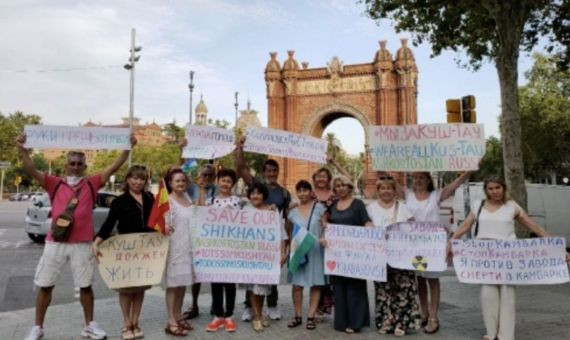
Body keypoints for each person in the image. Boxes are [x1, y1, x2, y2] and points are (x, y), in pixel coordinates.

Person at [16, 133, 136, 340]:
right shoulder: (54, 183)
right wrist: (22, 148)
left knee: (85, 286)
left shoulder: (92, 183)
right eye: (72, 163)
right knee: (45, 285)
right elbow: (30, 169)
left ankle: (89, 325)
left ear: (85, 167)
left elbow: (115, 166)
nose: (75, 166)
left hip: (82, 244)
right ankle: (38, 328)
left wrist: (127, 147)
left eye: (79, 164)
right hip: (56, 243)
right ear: (66, 165)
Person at [449, 176, 569, 340]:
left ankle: (506, 335)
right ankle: (491, 333)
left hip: (508, 258)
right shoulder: (478, 206)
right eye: (491, 188)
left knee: (507, 296)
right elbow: (464, 226)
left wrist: (557, 248)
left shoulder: (512, 206)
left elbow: (533, 226)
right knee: (487, 294)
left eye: (498, 187)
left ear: (503, 188)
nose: (495, 191)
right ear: (486, 190)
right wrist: (450, 243)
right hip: (486, 258)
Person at [398, 171, 472, 333]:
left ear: (428, 180)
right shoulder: (407, 194)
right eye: (416, 177)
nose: (418, 180)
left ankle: (433, 317)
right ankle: (423, 313)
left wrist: (470, 171)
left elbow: (456, 184)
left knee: (432, 279)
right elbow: (386, 178)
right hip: (414, 245)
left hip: (433, 246)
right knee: (419, 280)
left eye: (422, 178)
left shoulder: (436, 195)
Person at [92, 165, 154, 340]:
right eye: (134, 178)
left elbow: (157, 222)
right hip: (126, 251)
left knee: (140, 288)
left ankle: (136, 322)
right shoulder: (119, 201)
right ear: (127, 179)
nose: (137, 181)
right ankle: (126, 323)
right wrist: (96, 242)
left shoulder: (150, 198)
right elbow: (109, 224)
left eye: (141, 179)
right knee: (126, 290)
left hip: (145, 251)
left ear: (145, 182)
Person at [235, 138, 291, 321]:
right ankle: (249, 307)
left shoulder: (284, 193)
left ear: (278, 172)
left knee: (271, 274)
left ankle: (272, 305)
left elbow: (287, 218)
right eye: (269, 170)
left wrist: (287, 242)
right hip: (253, 241)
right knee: (251, 274)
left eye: (275, 171)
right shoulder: (256, 185)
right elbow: (241, 169)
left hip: (272, 240)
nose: (272, 173)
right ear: (263, 172)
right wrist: (240, 148)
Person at [367, 177, 421, 336]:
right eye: (382, 188)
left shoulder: (404, 208)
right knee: (383, 290)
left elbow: (414, 228)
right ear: (378, 191)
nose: (386, 191)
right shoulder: (371, 208)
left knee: (403, 289)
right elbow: (365, 226)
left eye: (389, 188)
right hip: (380, 256)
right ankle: (385, 322)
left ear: (394, 190)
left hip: (402, 256)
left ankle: (402, 324)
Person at [323, 175, 373, 333]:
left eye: (343, 185)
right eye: (337, 186)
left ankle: (355, 323)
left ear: (350, 187)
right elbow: (326, 222)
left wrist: (370, 228)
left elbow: (366, 221)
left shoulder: (358, 204)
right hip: (337, 255)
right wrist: (325, 232)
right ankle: (341, 322)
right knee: (339, 288)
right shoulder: (333, 205)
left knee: (355, 288)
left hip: (355, 254)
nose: (340, 188)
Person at [243, 182, 288, 332]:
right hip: (250, 256)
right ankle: (256, 317)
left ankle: (259, 315)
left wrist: (282, 253)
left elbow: (281, 235)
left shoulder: (272, 212)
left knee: (262, 288)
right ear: (249, 196)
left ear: (264, 195)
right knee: (254, 287)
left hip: (267, 256)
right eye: (252, 193)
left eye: (259, 193)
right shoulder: (245, 211)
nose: (255, 196)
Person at [204, 169, 242, 333]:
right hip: (214, 248)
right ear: (218, 181)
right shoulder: (210, 201)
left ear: (232, 184)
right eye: (223, 180)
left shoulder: (237, 201)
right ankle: (218, 315)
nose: (225, 184)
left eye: (229, 181)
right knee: (216, 282)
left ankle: (229, 316)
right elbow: (202, 219)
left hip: (231, 247)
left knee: (230, 283)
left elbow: (245, 221)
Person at [287, 180, 326, 330]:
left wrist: (325, 236)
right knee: (297, 285)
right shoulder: (292, 212)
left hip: (316, 250)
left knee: (315, 284)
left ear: (311, 192)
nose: (302, 194)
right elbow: (289, 232)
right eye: (300, 191)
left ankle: (311, 316)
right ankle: (297, 316)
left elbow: (325, 227)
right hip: (298, 250)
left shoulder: (319, 208)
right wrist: (286, 252)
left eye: (305, 190)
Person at [181, 163, 218, 320]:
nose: (207, 177)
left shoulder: (218, 189)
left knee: (214, 273)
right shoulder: (192, 188)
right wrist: (181, 152)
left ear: (215, 177)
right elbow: (180, 173)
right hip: (196, 237)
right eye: (204, 174)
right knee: (196, 275)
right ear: (199, 175)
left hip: (214, 238)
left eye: (210, 175)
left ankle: (216, 304)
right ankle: (194, 305)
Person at [163, 169, 194, 336]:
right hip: (175, 247)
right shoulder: (168, 201)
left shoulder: (188, 197)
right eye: (177, 181)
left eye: (183, 180)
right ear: (170, 184)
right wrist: (165, 226)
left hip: (188, 247)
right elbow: (163, 223)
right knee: (173, 285)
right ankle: (171, 320)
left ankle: (179, 315)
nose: (181, 183)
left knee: (182, 284)